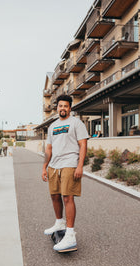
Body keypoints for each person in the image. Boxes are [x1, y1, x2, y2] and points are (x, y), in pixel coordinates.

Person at [42, 94, 89, 252]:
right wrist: (44, 167)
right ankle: (59, 222)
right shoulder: (52, 126)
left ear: (70, 108)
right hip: (54, 166)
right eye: (60, 106)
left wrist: (80, 165)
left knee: (67, 197)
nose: (62, 108)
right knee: (54, 196)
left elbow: (83, 145)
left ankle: (70, 234)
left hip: (69, 164)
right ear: (57, 108)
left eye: (65, 106)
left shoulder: (76, 123)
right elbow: (48, 148)